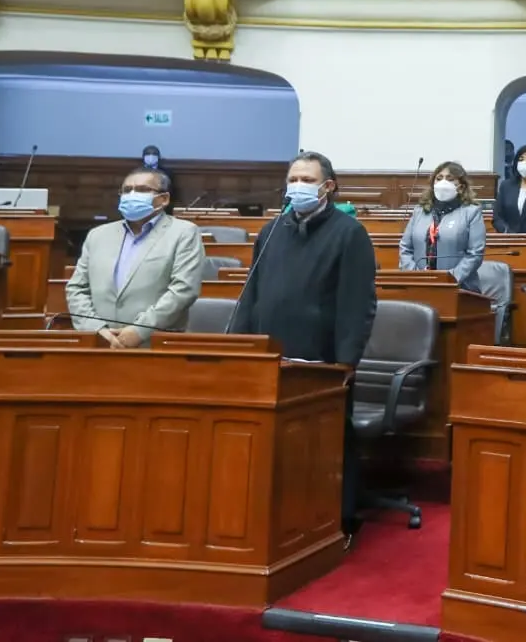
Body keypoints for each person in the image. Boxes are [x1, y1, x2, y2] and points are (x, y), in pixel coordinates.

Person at [228, 151, 378, 535]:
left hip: (321, 358)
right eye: (293, 179)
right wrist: (237, 346)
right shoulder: (271, 230)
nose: (297, 186)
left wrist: (346, 362)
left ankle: (339, 522)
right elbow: (251, 295)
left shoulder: (350, 233)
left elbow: (357, 302)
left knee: (328, 443)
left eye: (306, 180)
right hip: (267, 354)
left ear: (328, 187)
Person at [65, 167, 204, 347]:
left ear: (164, 199)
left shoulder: (184, 232)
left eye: (142, 190)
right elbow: (77, 288)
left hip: (155, 345)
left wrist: (139, 330)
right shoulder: (97, 235)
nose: (132, 195)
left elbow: (183, 290)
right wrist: (95, 329)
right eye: (126, 190)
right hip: (100, 343)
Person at [399, 161, 486, 293]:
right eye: (439, 178)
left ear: (461, 187)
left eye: (450, 179)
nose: (443, 182)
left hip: (458, 287)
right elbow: (405, 248)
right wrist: (416, 276)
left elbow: (475, 254)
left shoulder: (471, 212)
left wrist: (448, 279)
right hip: (418, 286)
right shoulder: (419, 211)